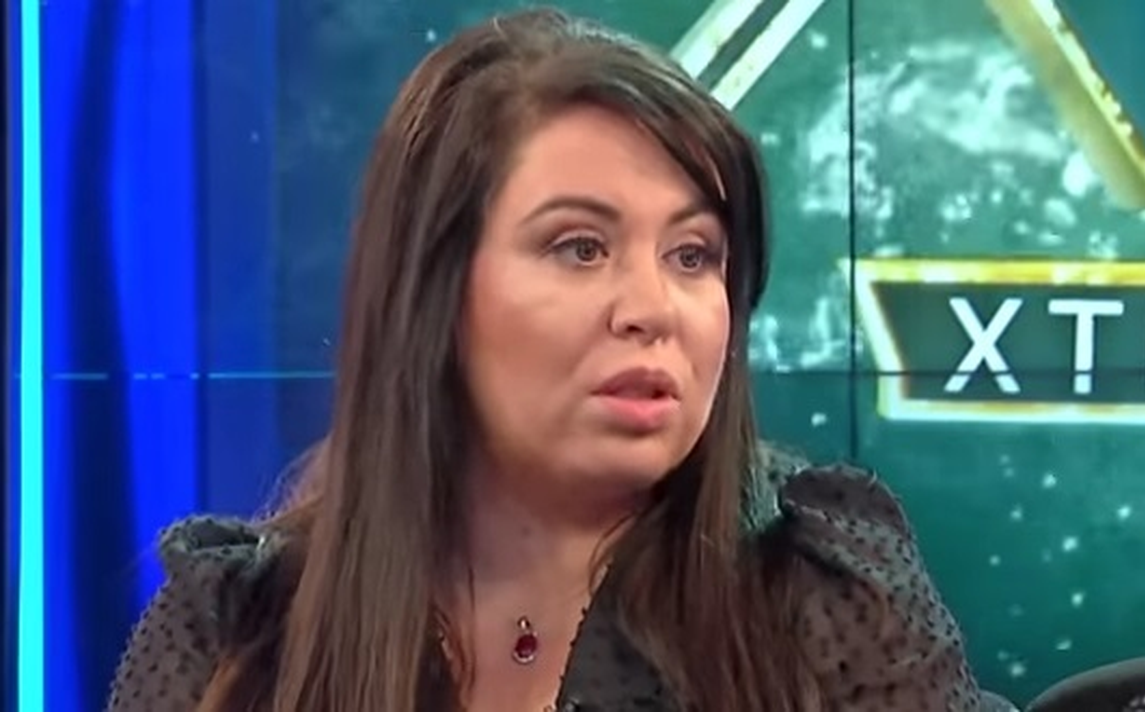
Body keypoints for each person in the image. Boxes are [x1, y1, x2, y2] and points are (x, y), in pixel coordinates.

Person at [108, 8, 991, 712]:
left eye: (692, 255)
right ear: (435, 293)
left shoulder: (824, 601)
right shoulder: (234, 634)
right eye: (580, 248)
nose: (652, 309)